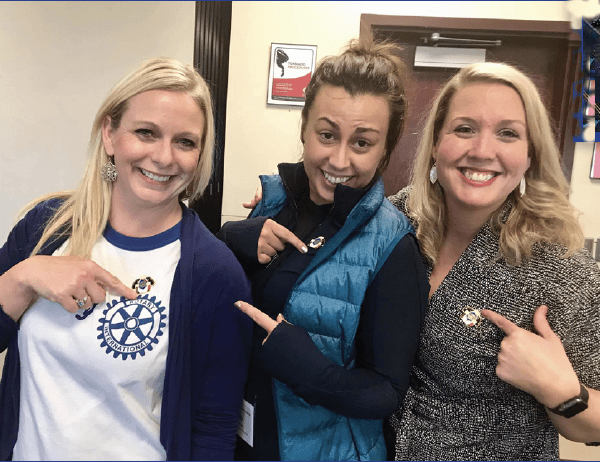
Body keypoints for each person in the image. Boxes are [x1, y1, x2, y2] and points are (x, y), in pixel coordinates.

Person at [0, 57, 253, 460]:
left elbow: (214, 426)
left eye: (185, 141)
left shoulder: (215, 274)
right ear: (110, 134)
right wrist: (23, 277)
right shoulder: (44, 228)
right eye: (146, 132)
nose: (164, 157)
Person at [218, 39, 429, 461]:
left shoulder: (393, 246)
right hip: (243, 438)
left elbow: (386, 393)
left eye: (362, 143)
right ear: (304, 128)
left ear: (386, 150)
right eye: (327, 135)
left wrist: (309, 370)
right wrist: (230, 239)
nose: (338, 159)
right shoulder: (273, 201)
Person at [386, 62, 600, 460]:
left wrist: (559, 390)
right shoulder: (399, 219)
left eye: (508, 133)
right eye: (464, 128)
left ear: (530, 154)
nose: (483, 151)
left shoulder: (563, 269)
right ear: (436, 142)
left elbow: (593, 429)